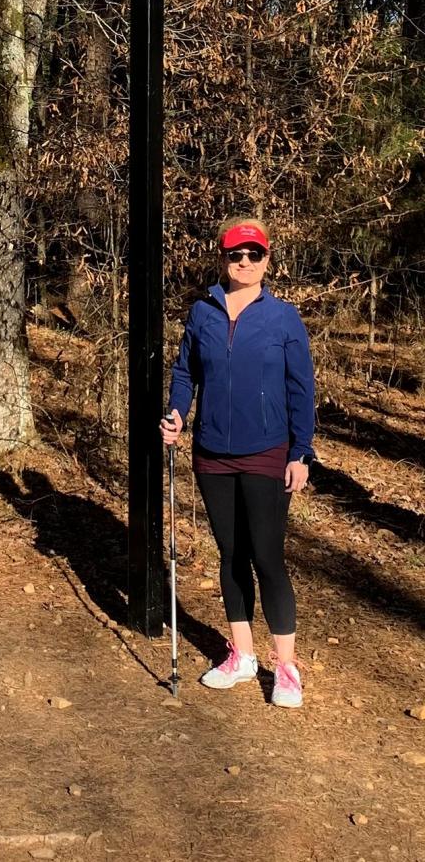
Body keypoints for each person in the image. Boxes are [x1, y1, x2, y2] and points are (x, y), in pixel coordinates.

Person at [160, 216, 315, 709]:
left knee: (266, 555)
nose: (244, 262)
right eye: (235, 254)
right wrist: (178, 414)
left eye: (253, 254)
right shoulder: (202, 313)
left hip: (268, 452)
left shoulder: (283, 317)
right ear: (223, 259)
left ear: (267, 260)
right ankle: (243, 656)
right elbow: (185, 373)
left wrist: (300, 452)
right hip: (212, 454)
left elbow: (301, 390)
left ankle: (286, 668)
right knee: (231, 556)